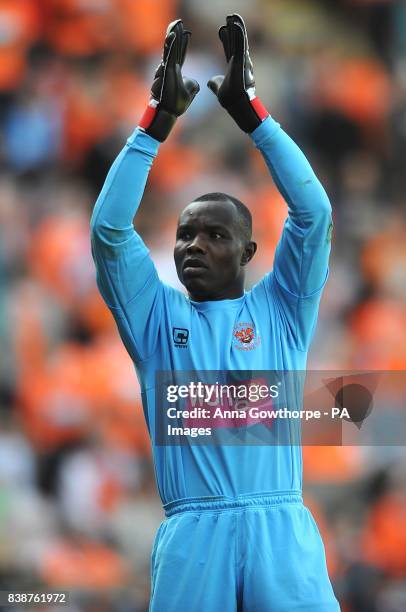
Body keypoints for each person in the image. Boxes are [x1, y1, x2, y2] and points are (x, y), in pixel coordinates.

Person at [90, 15, 340, 612]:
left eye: (214, 236)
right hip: (194, 536)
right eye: (184, 236)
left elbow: (315, 214)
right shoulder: (154, 324)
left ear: (249, 253)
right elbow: (108, 230)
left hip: (279, 530)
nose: (193, 246)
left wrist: (252, 114)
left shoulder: (282, 309)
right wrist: (154, 127)